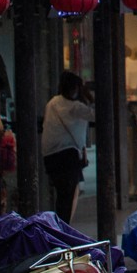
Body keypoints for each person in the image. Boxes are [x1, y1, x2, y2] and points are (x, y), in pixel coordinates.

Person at [40, 71, 95, 225]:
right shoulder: (76, 107)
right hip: (68, 156)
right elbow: (96, 114)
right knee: (68, 195)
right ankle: (63, 226)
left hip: (50, 156)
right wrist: (88, 96)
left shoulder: (52, 103)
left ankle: (58, 225)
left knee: (61, 194)